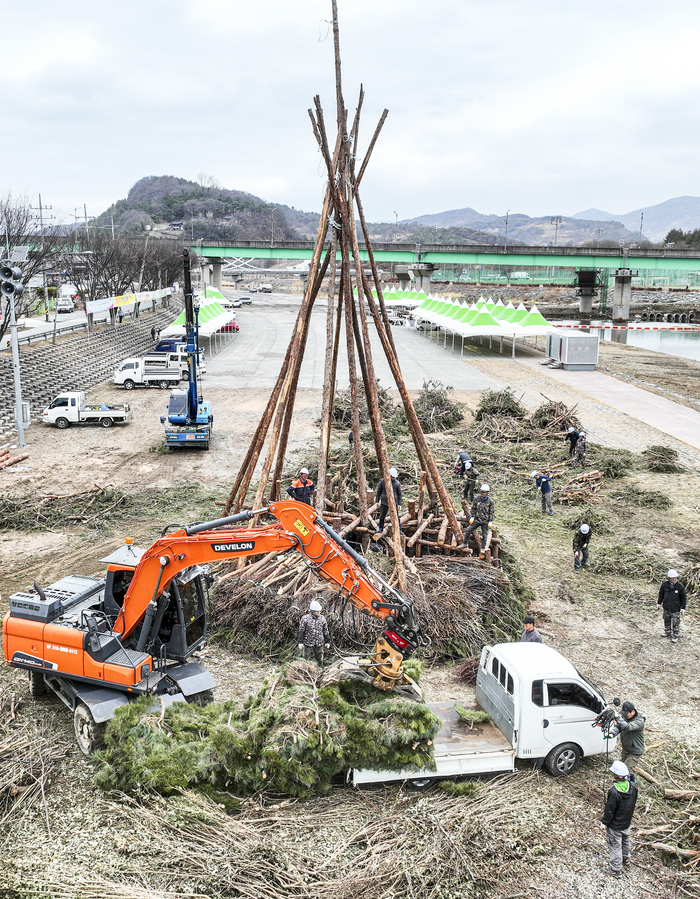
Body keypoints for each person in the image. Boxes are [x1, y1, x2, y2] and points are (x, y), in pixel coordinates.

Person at [600, 760, 638, 877]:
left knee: (615, 846)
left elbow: (610, 810)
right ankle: (626, 858)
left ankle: (616, 869)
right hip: (626, 822)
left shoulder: (614, 792)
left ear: (616, 775)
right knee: (625, 840)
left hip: (615, 825)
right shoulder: (632, 787)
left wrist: (604, 822)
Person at [608, 701, 646, 775]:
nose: (625, 715)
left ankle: (629, 785)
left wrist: (617, 717)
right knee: (622, 768)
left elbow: (627, 727)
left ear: (633, 712)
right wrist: (613, 733)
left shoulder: (639, 721)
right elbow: (619, 726)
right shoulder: (625, 718)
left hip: (635, 751)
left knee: (626, 771)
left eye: (626, 713)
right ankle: (630, 783)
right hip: (626, 748)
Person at [297, 599, 330, 666]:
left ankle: (320, 671)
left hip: (319, 643)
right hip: (308, 643)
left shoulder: (322, 618)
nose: (319, 612)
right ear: (312, 611)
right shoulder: (305, 618)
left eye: (319, 611)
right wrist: (300, 642)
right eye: (316, 611)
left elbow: (325, 631)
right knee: (306, 660)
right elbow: (301, 631)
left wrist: (327, 642)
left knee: (320, 660)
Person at [463, 484, 494, 555]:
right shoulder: (477, 499)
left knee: (484, 535)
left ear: (487, 493)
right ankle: (465, 543)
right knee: (468, 530)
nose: (483, 493)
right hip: (477, 520)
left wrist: (490, 521)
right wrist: (472, 516)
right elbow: (473, 508)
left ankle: (483, 548)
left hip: (485, 521)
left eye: (485, 492)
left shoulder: (490, 502)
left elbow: (491, 512)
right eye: (482, 492)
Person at [657, 568, 687, 643]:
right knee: (666, 619)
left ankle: (675, 635)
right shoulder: (664, 585)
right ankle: (667, 632)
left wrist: (683, 608)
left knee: (676, 622)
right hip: (666, 607)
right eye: (672, 578)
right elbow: (661, 594)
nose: (674, 579)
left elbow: (683, 598)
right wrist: (659, 603)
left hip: (676, 608)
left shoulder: (680, 586)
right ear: (669, 578)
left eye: (675, 578)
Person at [375, 467, 402, 533]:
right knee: (382, 515)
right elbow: (378, 492)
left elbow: (399, 494)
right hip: (384, 502)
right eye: (392, 476)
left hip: (394, 502)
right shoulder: (382, 482)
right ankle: (380, 528)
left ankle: (399, 529)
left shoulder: (397, 484)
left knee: (396, 516)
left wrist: (399, 504)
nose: (393, 478)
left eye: (394, 477)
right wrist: (377, 501)